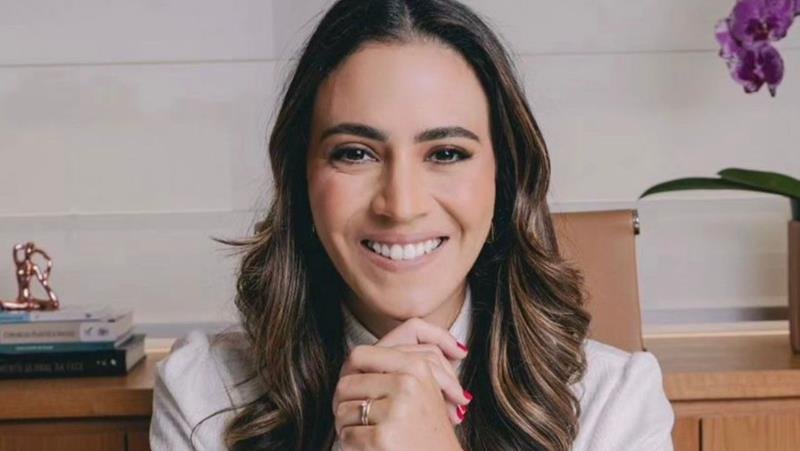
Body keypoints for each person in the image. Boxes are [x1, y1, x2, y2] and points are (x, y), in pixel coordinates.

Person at [150, 0, 675, 450]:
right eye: (355, 153)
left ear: (504, 179)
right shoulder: (205, 392)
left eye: (446, 153)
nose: (400, 205)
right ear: (300, 178)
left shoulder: (615, 401)